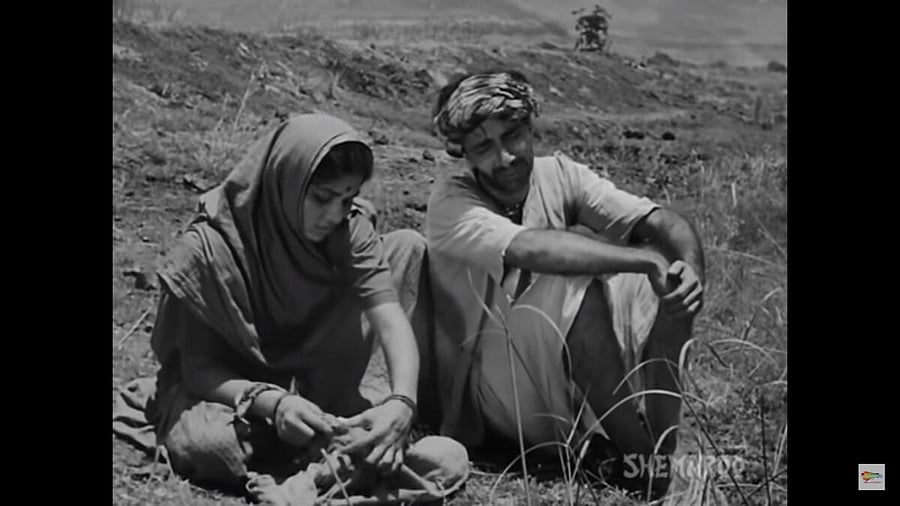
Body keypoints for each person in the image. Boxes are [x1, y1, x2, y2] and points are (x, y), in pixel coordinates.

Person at [113, 114, 468, 504]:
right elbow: (199, 372)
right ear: (285, 182)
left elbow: (391, 321)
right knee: (212, 446)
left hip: (322, 392)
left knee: (448, 456)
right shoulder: (209, 250)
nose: (335, 214)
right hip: (239, 396)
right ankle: (334, 472)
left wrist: (402, 404)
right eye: (322, 198)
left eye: (347, 199)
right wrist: (274, 403)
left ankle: (314, 474)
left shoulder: (348, 230)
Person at [425, 71, 705, 497]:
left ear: (530, 128)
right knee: (573, 284)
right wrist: (642, 258)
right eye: (483, 147)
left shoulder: (558, 175)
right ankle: (645, 465)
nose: (505, 158)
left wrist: (689, 267)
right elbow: (532, 248)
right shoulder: (452, 201)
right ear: (463, 154)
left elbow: (659, 221)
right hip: (489, 393)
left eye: (512, 136)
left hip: (551, 373)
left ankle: (660, 445)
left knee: (669, 281)